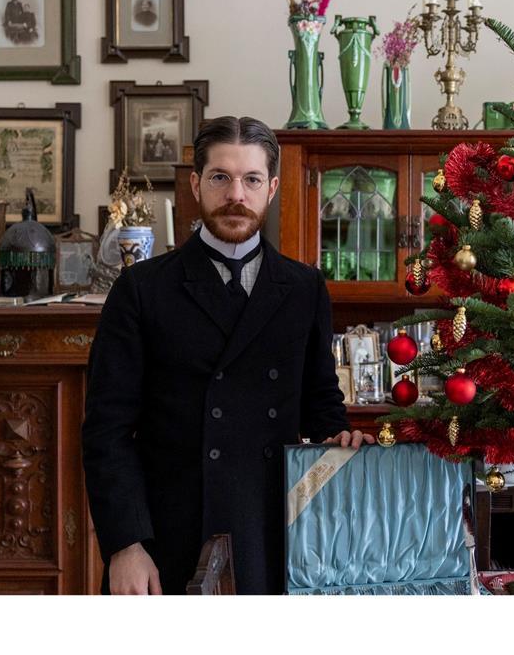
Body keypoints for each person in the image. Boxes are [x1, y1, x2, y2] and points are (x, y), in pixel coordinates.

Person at [82, 115, 374, 595]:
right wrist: (126, 545)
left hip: (273, 534)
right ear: (197, 184)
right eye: (221, 177)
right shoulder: (142, 289)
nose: (236, 194)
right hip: (167, 539)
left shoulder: (304, 288)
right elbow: (106, 432)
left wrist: (340, 441)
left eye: (251, 179)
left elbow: (321, 407)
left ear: (272, 187)